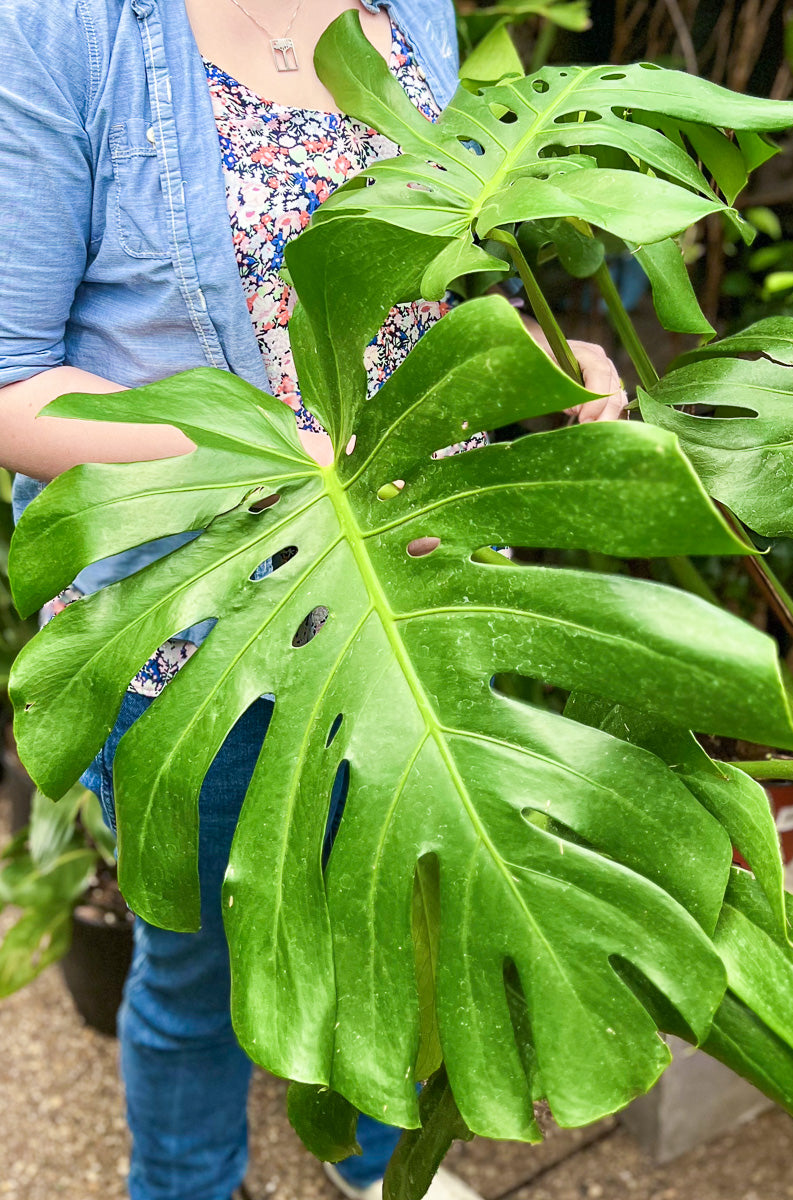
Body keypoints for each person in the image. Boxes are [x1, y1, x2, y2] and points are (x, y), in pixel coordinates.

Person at [0, 2, 627, 1198]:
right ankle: (181, 1181)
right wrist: (264, 457)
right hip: (201, 639)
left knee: (385, 923)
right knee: (191, 975)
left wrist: (533, 366)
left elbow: (407, 293)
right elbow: (10, 381)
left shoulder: (410, 13)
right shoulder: (59, 30)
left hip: (406, 596)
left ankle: (378, 1158)